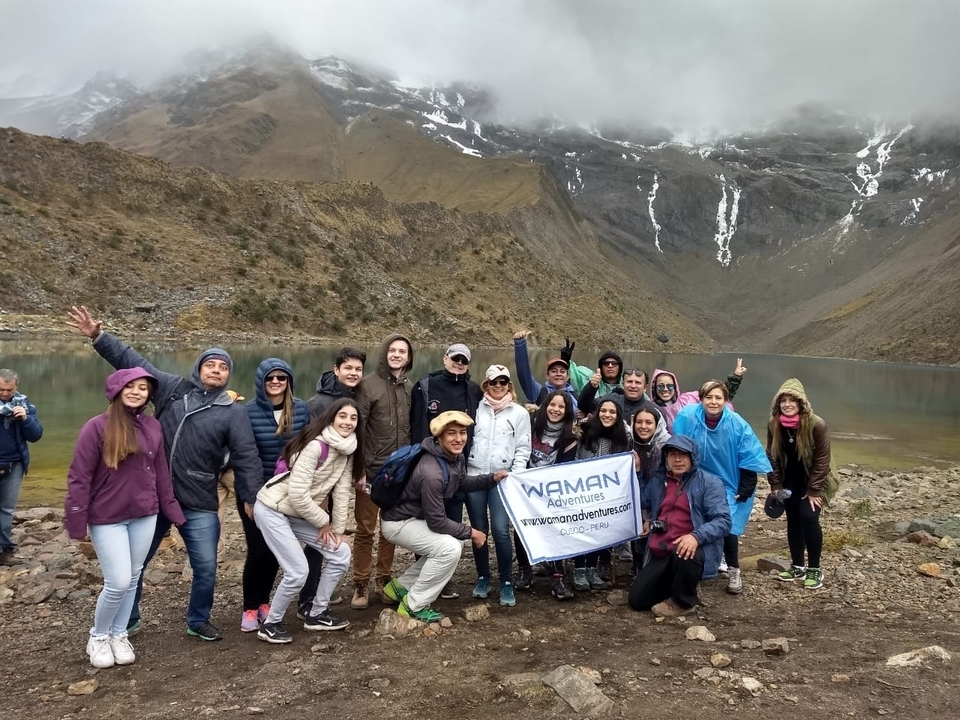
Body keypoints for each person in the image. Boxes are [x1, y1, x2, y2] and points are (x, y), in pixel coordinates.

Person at [67, 305, 261, 641]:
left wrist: (253, 496)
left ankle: (198, 619)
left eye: (222, 367)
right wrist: (99, 337)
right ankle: (126, 619)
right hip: (153, 499)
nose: (215, 371)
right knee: (133, 568)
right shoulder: (174, 388)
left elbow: (246, 457)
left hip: (199, 500)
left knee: (205, 567)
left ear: (229, 375)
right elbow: (132, 363)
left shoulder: (233, 411)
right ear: (198, 368)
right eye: (210, 364)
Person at [64, 368, 186, 667]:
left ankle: (120, 633)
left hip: (144, 515)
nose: (136, 392)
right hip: (107, 517)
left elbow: (160, 474)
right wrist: (76, 519)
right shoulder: (96, 428)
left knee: (132, 577)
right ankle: (99, 635)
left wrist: (171, 510)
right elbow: (79, 477)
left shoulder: (152, 427)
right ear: (116, 389)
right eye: (130, 386)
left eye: (143, 388)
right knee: (117, 581)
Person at [380, 411, 507, 622]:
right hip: (398, 524)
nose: (459, 439)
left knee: (450, 543)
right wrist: (473, 533)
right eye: (451, 434)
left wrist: (491, 479)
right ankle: (413, 605)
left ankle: (399, 588)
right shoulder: (431, 472)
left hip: (411, 518)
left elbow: (462, 482)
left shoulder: (453, 457)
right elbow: (437, 521)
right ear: (439, 437)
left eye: (462, 432)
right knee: (449, 549)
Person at [253, 398, 362, 643]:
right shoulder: (316, 446)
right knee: (297, 571)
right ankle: (270, 624)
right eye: (342, 416)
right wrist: (324, 522)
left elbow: (343, 491)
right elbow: (298, 494)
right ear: (332, 418)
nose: (347, 422)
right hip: (273, 508)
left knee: (341, 552)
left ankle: (317, 612)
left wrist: (338, 530)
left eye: (353, 418)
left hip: (297, 513)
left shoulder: (348, 449)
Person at [672, 380, 772, 595]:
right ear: (701, 399)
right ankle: (696, 567)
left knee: (727, 525)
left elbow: (749, 454)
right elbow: (679, 446)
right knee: (693, 520)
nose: (713, 401)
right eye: (709, 397)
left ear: (726, 400)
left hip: (729, 481)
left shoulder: (736, 423)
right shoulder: (688, 416)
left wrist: (746, 485)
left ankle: (734, 570)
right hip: (697, 477)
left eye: (718, 397)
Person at [240, 359, 311, 632]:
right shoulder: (246, 412)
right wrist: (249, 496)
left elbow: (309, 446)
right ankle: (249, 606)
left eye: (282, 377)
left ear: (289, 381)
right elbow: (243, 456)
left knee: (275, 549)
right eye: (271, 377)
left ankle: (265, 602)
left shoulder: (301, 408)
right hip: (255, 491)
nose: (276, 382)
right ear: (261, 381)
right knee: (257, 549)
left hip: (287, 492)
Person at [409, 342, 483, 599]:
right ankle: (423, 575)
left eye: (464, 359)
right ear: (445, 358)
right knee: (427, 523)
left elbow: (491, 408)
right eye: (455, 358)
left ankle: (443, 578)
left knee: (451, 521)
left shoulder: (473, 390)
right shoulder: (425, 386)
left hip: (457, 468)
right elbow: (416, 427)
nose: (459, 363)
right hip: (429, 468)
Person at [628, 434, 731, 617]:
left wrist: (695, 536)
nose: (677, 459)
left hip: (690, 551)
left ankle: (684, 601)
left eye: (683, 455)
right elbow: (642, 500)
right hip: (661, 551)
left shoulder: (709, 483)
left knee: (685, 550)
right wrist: (637, 471)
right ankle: (681, 586)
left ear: (693, 457)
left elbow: (723, 521)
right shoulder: (659, 481)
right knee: (637, 601)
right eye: (672, 454)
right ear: (665, 458)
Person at [352, 334, 414, 609]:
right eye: (393, 350)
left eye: (403, 351)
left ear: (409, 357)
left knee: (390, 529)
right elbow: (358, 427)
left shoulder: (409, 387)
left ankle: (384, 580)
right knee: (365, 529)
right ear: (384, 353)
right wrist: (359, 469)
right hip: (372, 470)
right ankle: (360, 583)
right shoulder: (367, 385)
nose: (397, 355)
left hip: (399, 473)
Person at [465, 365, 531, 606]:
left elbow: (523, 448)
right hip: (474, 475)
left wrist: (516, 474)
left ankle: (506, 581)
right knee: (478, 530)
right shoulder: (475, 407)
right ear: (487, 384)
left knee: (502, 530)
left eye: (503, 382)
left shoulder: (519, 413)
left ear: (509, 385)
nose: (498, 386)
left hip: (502, 478)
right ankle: (483, 577)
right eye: (494, 381)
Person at [766, 379, 833, 590]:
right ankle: (797, 566)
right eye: (783, 401)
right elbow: (772, 456)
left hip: (814, 479)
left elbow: (823, 459)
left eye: (792, 400)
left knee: (809, 516)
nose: (787, 404)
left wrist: (814, 490)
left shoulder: (816, 424)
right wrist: (775, 485)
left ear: (801, 403)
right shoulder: (773, 423)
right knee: (793, 519)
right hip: (790, 480)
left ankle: (814, 569)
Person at [516, 390, 579, 599]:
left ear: (567, 411)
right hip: (525, 485)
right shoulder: (531, 425)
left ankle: (557, 574)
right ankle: (525, 570)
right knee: (521, 526)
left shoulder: (570, 438)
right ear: (545, 406)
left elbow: (564, 468)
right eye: (553, 405)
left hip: (549, 491)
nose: (556, 410)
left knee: (553, 529)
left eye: (561, 407)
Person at [573, 398, 632, 590]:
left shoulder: (624, 436)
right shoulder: (584, 430)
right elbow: (573, 457)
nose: (607, 415)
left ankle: (592, 566)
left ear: (618, 416)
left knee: (599, 530)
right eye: (603, 411)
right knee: (581, 528)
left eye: (612, 412)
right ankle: (579, 568)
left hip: (606, 493)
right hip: (582, 490)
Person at [0, 368, 42, 566]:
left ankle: (5, 551)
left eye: (9, 390)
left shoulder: (24, 405)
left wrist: (26, 419)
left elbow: (36, 436)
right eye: (1, 390)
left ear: (16, 387)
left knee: (7, 509)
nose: (5, 394)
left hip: (14, 464)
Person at [650, 359, 746, 432]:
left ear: (675, 387)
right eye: (661, 387)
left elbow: (717, 395)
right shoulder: (651, 410)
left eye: (670, 386)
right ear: (654, 388)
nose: (666, 389)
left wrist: (735, 377)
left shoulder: (689, 399)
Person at [630, 402, 670, 573]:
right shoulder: (631, 444)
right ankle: (639, 568)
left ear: (657, 424)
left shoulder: (667, 447)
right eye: (639, 422)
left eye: (648, 422)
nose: (643, 427)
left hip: (663, 504)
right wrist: (637, 469)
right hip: (640, 498)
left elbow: (658, 488)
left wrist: (648, 517)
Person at [511, 330, 578, 412]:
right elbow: (523, 374)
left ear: (567, 377)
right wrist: (520, 344)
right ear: (547, 376)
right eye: (554, 371)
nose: (558, 374)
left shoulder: (575, 396)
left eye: (562, 371)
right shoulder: (539, 393)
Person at [307, 347, 366, 418]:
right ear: (336, 370)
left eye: (358, 369)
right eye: (348, 368)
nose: (354, 373)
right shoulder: (318, 404)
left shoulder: (364, 397)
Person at [579, 368, 649, 419]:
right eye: (629, 382)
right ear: (623, 384)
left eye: (638, 383)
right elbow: (585, 406)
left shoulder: (653, 410)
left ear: (645, 388)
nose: (633, 386)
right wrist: (591, 387)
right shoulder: (610, 400)